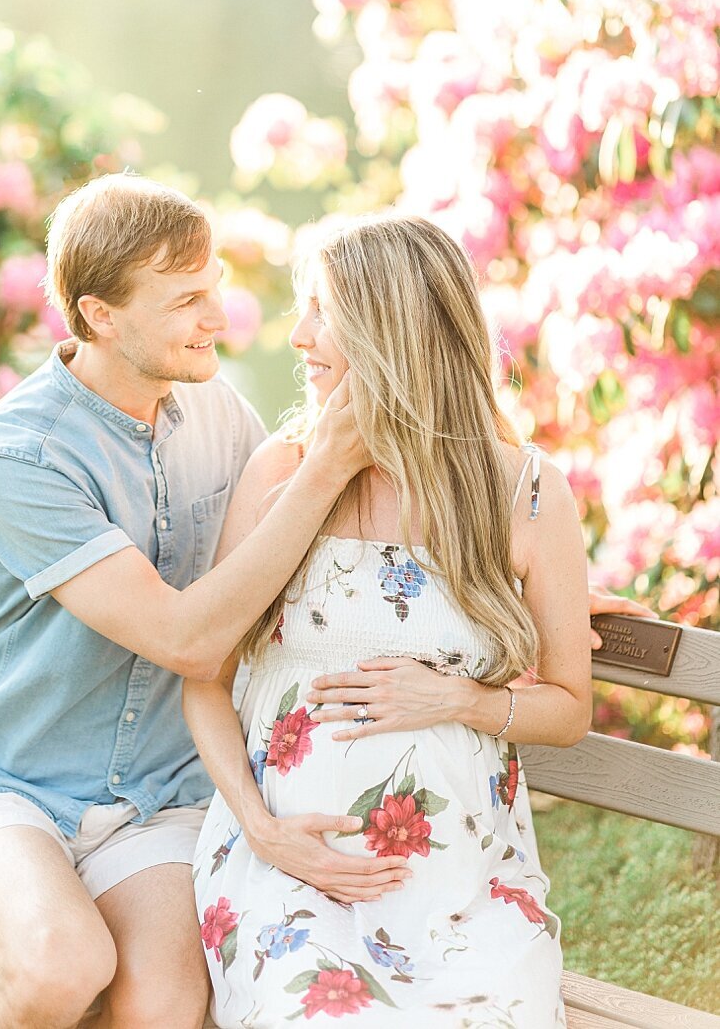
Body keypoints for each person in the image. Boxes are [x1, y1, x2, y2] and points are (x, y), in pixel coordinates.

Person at [0, 174, 371, 1029]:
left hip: (163, 791)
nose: (220, 320)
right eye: (188, 299)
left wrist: (513, 573)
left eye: (217, 290)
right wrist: (326, 468)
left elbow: (348, 512)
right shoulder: (20, 455)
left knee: (165, 1006)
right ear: (100, 314)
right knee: (60, 964)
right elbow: (186, 641)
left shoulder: (217, 411)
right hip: (13, 784)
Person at [185, 213, 595, 1029]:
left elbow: (571, 707)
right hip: (287, 875)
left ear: (390, 328)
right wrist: (263, 833)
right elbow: (205, 679)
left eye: (321, 312)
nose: (298, 336)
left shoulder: (525, 492)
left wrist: (461, 700)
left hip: (462, 892)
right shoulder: (285, 471)